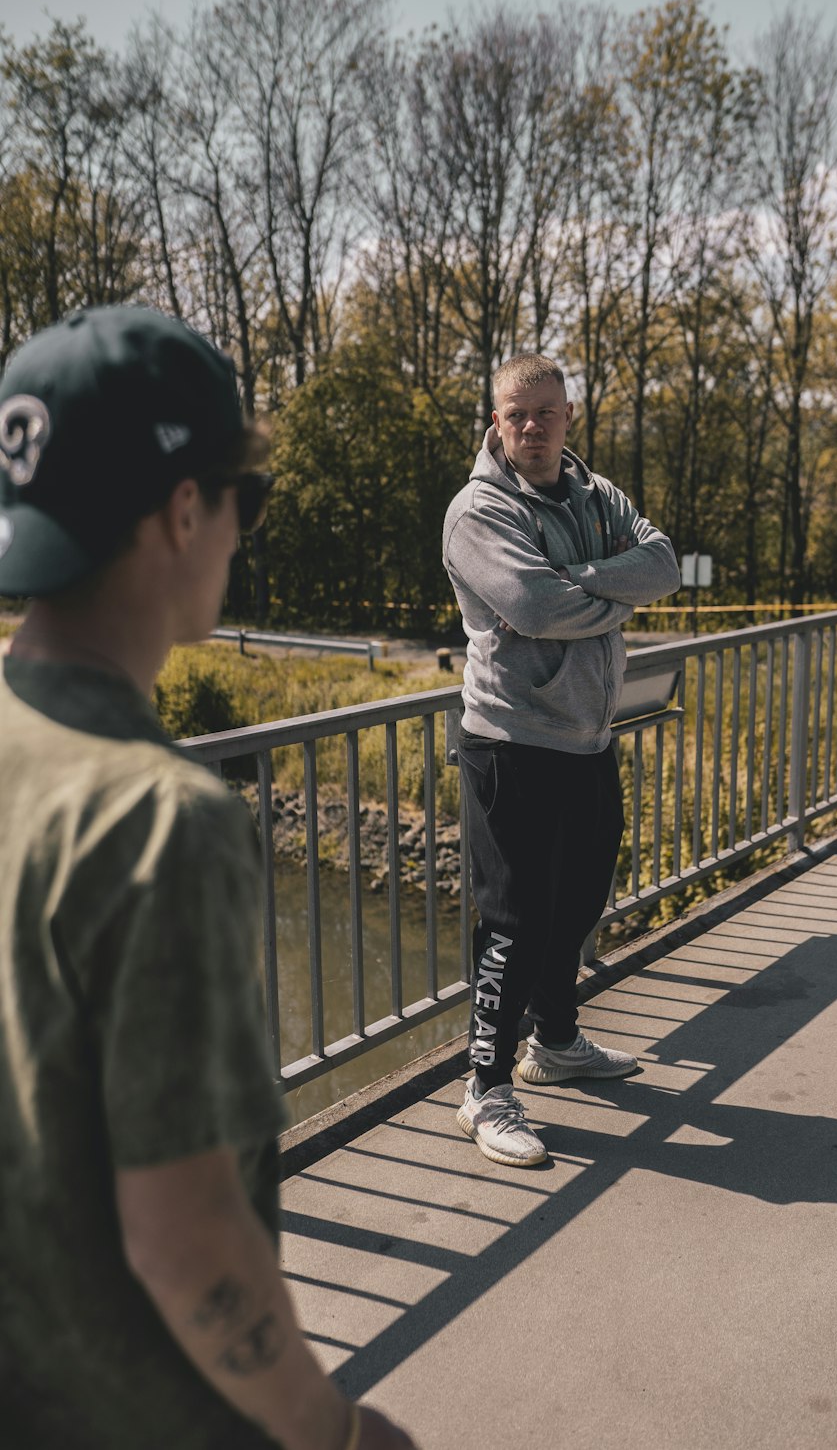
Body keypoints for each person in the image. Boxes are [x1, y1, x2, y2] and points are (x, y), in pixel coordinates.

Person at [0, 305, 417, 1450]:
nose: (243, 531)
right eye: (247, 497)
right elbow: (182, 1232)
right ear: (185, 512)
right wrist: (331, 1431)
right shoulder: (156, 820)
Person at [442, 353, 680, 1167]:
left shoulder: (593, 492)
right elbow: (534, 608)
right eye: (518, 415)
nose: (534, 427)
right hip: (510, 742)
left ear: (569, 414)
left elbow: (663, 564)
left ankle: (555, 1043)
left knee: (578, 902)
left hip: (587, 737)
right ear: (497, 423)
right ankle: (485, 1088)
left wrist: (576, 581)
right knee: (515, 920)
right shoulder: (477, 512)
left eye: (547, 412)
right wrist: (599, 596)